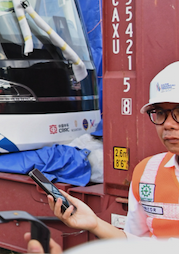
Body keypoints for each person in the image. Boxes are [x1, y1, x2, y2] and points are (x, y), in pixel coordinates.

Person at [47, 61, 179, 239]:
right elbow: (136, 244)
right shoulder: (148, 172)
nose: (168, 124)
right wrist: (94, 223)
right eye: (161, 113)